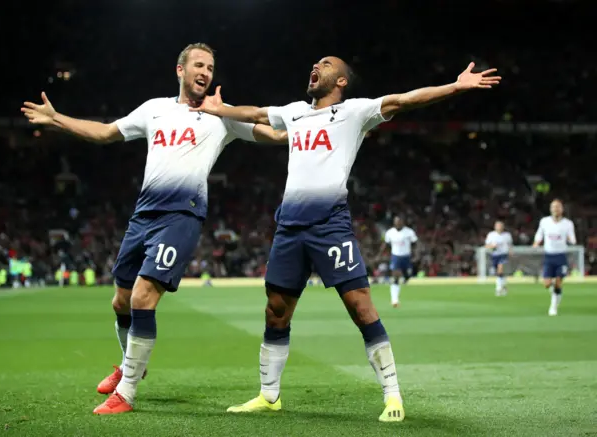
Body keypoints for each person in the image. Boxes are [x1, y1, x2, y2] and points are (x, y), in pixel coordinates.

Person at [193, 57, 501, 422]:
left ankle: (392, 396)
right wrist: (221, 108)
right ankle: (268, 395)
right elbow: (259, 114)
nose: (315, 64)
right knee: (276, 311)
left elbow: (403, 100)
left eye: (324, 63)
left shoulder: (355, 112)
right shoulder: (294, 112)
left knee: (361, 308)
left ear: (340, 80)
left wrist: (455, 86)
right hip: (290, 226)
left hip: (329, 225)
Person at [21, 42, 287, 414]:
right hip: (142, 215)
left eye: (210, 68)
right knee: (121, 301)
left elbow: (275, 136)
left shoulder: (220, 116)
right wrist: (56, 119)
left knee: (144, 296)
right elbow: (104, 133)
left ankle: (126, 392)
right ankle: (131, 365)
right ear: (180, 70)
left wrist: (326, 131)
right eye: (199, 65)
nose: (206, 73)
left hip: (182, 215)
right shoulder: (154, 109)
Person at [533, 199, 576, 316]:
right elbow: (539, 234)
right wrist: (536, 242)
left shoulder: (568, 223)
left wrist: (570, 240)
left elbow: (572, 238)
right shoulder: (544, 221)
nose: (556, 209)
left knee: (558, 282)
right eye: (553, 207)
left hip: (561, 256)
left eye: (558, 207)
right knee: (547, 283)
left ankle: (553, 306)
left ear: (562, 209)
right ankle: (556, 292)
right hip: (549, 256)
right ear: (550, 209)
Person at [382, 216, 417, 307]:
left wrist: (416, 254)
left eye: (399, 221)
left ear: (403, 222)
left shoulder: (409, 232)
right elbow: (386, 244)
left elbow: (415, 243)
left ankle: (406, 277)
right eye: (396, 222)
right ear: (394, 222)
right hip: (396, 257)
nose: (398, 223)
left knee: (408, 275)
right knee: (395, 277)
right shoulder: (390, 233)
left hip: (406, 256)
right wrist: (380, 254)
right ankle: (395, 300)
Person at [484, 220, 513, 296]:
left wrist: (510, 252)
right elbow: (486, 245)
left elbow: (510, 245)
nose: (499, 227)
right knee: (499, 272)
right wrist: (492, 246)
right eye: (497, 226)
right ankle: (503, 286)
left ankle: (498, 288)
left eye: (500, 226)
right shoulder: (491, 235)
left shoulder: (507, 235)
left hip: (503, 254)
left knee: (500, 269)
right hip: (495, 255)